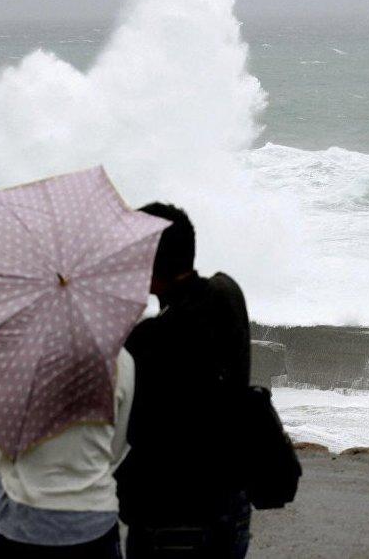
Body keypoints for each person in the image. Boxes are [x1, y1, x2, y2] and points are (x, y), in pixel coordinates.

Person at [117, 202, 252, 559]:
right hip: (231, 506)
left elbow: (131, 431)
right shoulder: (227, 294)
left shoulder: (148, 340)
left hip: (171, 519)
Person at [0, 347, 135, 559]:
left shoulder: (17, 356)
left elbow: (0, 435)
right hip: (93, 518)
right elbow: (115, 448)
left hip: (23, 518)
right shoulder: (120, 359)